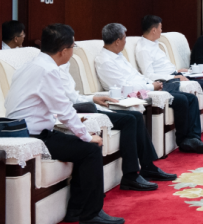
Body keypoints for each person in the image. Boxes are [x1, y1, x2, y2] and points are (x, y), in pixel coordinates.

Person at [5, 24, 122, 224]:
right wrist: (87, 136)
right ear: (64, 51)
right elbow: (64, 110)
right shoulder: (48, 70)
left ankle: (76, 210)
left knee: (83, 147)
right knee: (91, 149)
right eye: (73, 46)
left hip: (22, 131)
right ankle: (91, 214)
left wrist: (81, 133)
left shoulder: (31, 65)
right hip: (33, 137)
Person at [59, 58, 176, 191]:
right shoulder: (54, 70)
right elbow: (70, 101)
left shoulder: (62, 65)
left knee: (136, 116)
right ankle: (130, 175)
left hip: (83, 105)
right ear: (63, 51)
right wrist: (90, 101)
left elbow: (74, 96)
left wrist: (94, 98)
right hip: (76, 111)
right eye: (71, 48)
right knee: (128, 120)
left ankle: (148, 166)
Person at [94, 23, 203, 154]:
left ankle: (193, 138)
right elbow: (124, 87)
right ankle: (184, 140)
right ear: (117, 41)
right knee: (182, 99)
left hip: (147, 86)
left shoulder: (118, 55)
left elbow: (137, 75)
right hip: (135, 94)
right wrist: (151, 86)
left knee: (190, 98)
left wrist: (152, 83)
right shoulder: (105, 61)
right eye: (124, 38)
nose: (125, 42)